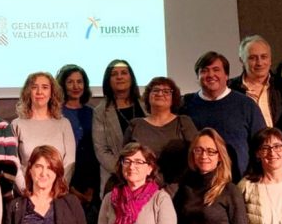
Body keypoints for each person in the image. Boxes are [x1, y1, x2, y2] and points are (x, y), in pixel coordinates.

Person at [182, 51, 266, 181]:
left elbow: (261, 144)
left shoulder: (246, 105)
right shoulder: (186, 106)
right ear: (197, 76)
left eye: (216, 70)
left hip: (238, 183)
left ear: (226, 75)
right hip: (196, 185)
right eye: (204, 71)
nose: (211, 75)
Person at [124, 76, 197, 186]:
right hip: (141, 188)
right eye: (155, 90)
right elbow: (125, 157)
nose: (160, 94)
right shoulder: (135, 124)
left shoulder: (183, 122)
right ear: (148, 96)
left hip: (179, 189)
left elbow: (196, 155)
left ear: (174, 98)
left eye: (166, 91)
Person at [12, 71, 77, 188]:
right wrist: (25, 189)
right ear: (28, 92)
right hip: (28, 192)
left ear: (52, 92)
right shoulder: (17, 124)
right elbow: (14, 161)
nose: (39, 92)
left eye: (45, 87)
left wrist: (59, 188)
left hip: (57, 192)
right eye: (34, 87)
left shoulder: (64, 124)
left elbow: (70, 162)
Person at [93, 59, 145, 193]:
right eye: (114, 74)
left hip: (149, 177)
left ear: (131, 77)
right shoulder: (101, 111)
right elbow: (101, 150)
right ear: (108, 80)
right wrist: (126, 170)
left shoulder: (146, 105)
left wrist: (146, 169)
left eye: (124, 73)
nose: (120, 77)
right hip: (116, 179)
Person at [228, 35, 282, 128]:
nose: (259, 63)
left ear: (270, 59)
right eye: (252, 58)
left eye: (264, 57)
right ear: (242, 60)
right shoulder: (230, 89)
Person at [57, 64, 100, 205]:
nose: (76, 86)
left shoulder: (92, 112)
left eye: (79, 82)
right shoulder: (56, 114)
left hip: (91, 176)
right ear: (62, 85)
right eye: (70, 82)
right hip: (66, 174)